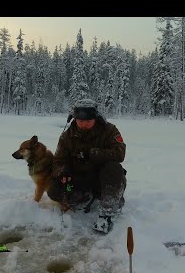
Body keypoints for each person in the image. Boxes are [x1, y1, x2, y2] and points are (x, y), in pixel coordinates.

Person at [47, 98, 127, 234]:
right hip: (79, 178)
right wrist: (63, 171)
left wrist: (92, 153)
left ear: (96, 118)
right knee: (53, 191)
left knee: (114, 168)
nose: (84, 125)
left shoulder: (109, 130)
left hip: (102, 178)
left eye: (88, 122)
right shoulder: (67, 136)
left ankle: (107, 213)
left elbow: (120, 153)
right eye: (81, 121)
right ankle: (84, 197)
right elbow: (58, 160)